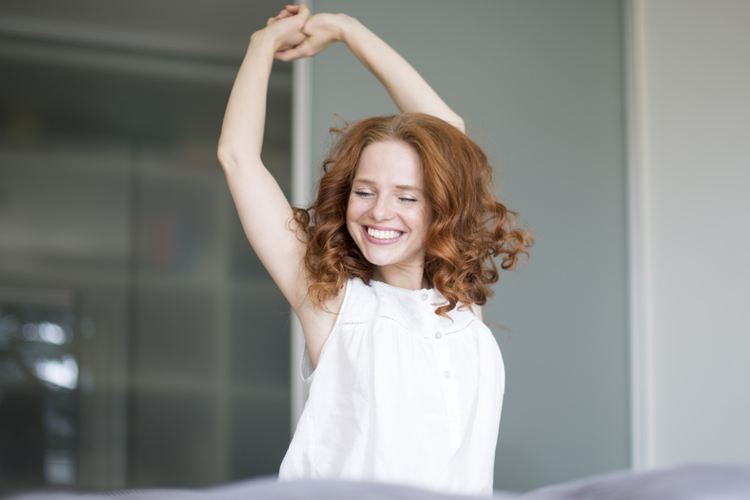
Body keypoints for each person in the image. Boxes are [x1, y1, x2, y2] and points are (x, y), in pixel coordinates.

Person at [217, 4, 532, 496]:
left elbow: (448, 130)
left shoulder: (458, 306)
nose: (380, 212)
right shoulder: (335, 304)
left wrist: (347, 29)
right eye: (364, 192)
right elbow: (238, 158)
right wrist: (263, 44)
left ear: (441, 208)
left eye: (407, 197)